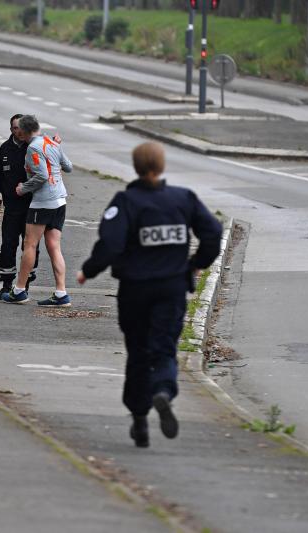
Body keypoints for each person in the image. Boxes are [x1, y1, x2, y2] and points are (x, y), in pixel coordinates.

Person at [76, 141, 222, 448]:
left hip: (135, 291)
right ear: (162, 165)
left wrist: (89, 270)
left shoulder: (126, 201)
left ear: (136, 167)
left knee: (138, 352)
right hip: (171, 288)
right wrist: (196, 265)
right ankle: (164, 392)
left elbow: (111, 243)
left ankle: (139, 418)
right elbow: (212, 233)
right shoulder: (183, 199)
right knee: (164, 348)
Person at [2, 115, 73, 307]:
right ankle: (61, 293)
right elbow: (68, 167)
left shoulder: (32, 147)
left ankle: (19, 290)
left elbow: (41, 175)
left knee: (30, 244)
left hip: (43, 202)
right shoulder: (51, 142)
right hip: (60, 200)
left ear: (24, 132)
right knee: (54, 246)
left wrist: (23, 188)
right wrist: (58, 150)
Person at [0, 114, 39, 299]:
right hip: (11, 207)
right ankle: (6, 284)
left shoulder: (34, 147)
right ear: (11, 129)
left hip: (32, 207)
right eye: (15, 128)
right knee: (8, 245)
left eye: (22, 128)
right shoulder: (5, 148)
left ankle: (24, 285)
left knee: (30, 246)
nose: (19, 132)